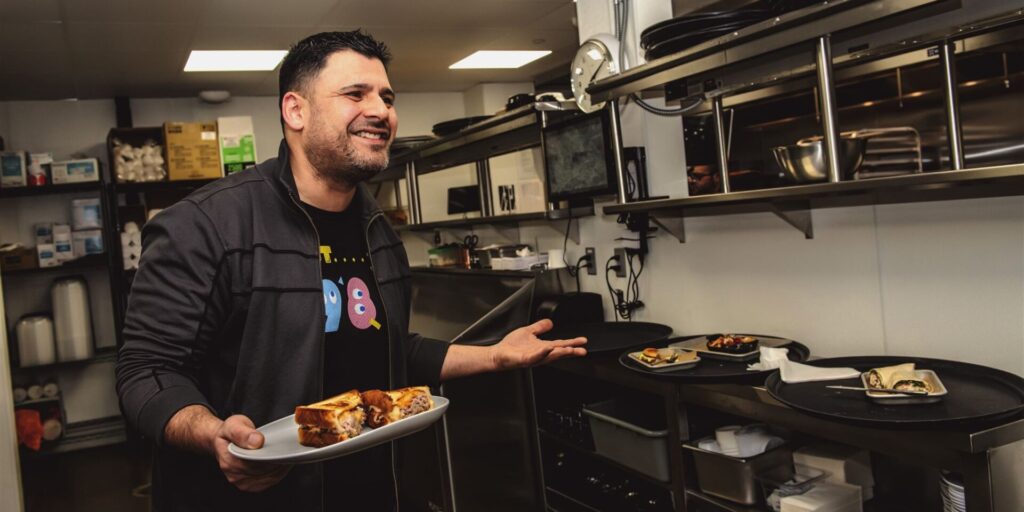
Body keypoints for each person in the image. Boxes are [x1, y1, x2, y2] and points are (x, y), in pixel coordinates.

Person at [115, 30, 586, 512]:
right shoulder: (206, 224)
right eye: (355, 94)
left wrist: (495, 356)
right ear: (295, 111)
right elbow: (146, 372)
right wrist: (214, 434)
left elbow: (388, 349)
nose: (381, 111)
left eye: (387, 97)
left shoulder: (377, 230)